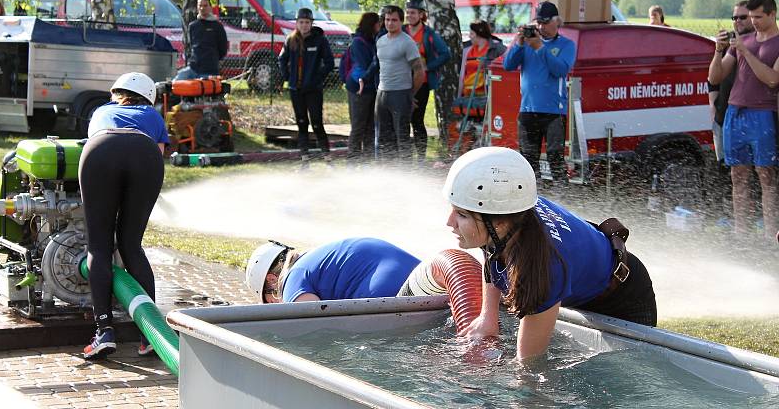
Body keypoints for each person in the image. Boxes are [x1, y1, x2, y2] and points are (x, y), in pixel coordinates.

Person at [443, 147, 657, 360]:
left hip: (624, 299)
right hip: (587, 281)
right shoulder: (507, 216)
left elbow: (529, 364)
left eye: (461, 215)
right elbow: (492, 252)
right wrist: (487, 317)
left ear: (499, 222)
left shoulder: (541, 268)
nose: (449, 222)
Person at [79, 72, 170, 359]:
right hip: (145, 155)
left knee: (99, 247)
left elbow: (95, 139)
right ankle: (150, 335)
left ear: (117, 93)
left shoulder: (102, 111)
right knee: (131, 244)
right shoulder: (152, 115)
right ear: (148, 97)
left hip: (101, 150)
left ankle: (104, 331)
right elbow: (159, 152)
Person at [708, 0, 779, 239]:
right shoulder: (743, 41)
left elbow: (773, 79)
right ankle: (742, 233)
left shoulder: (777, 42)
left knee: (765, 173)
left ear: (772, 14)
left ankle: (771, 235)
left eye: (758, 17)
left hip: (764, 113)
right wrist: (718, 51)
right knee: (737, 174)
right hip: (735, 112)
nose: (754, 22)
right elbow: (715, 77)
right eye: (751, 17)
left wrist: (746, 53)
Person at [503, 1, 577, 183]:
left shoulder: (567, 45)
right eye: (539, 23)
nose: (541, 27)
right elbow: (508, 65)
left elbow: (560, 70)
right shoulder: (528, 43)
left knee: (555, 158)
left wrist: (540, 49)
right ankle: (531, 204)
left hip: (553, 112)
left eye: (545, 22)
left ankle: (563, 200)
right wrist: (519, 44)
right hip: (528, 109)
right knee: (528, 161)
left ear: (557, 21)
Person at [245, 237, 445, 303]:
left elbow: (313, 329)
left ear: (271, 280)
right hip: (422, 273)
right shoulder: (316, 257)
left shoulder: (292, 280)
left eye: (270, 300)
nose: (277, 303)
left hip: (382, 287)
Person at [360, 5, 425, 163]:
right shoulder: (380, 41)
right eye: (387, 20)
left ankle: (406, 175)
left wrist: (410, 94)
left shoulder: (407, 42)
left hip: (400, 93)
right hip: (382, 94)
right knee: (383, 138)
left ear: (401, 21)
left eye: (394, 20)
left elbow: (419, 72)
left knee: (402, 137)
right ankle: (388, 173)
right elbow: (379, 65)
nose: (390, 23)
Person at [278, 7, 335, 168]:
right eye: (301, 22)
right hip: (296, 89)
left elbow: (329, 62)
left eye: (307, 22)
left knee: (317, 123)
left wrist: (318, 77)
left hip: (313, 90)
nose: (304, 26)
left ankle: (328, 159)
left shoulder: (320, 40)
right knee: (302, 123)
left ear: (311, 23)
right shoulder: (291, 40)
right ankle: (305, 161)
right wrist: (288, 77)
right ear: (296, 23)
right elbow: (282, 59)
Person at [403, 0, 451, 165]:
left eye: (413, 13)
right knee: (401, 119)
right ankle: (403, 157)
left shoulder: (429, 34)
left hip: (421, 83)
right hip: (401, 82)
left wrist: (428, 67)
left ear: (421, 14)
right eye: (407, 12)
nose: (409, 15)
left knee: (416, 119)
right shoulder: (402, 30)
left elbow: (446, 53)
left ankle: (421, 158)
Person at [708, 1, 754, 165]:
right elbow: (712, 80)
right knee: (728, 170)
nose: (737, 21)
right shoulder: (729, 42)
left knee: (761, 172)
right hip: (725, 117)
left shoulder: (762, 43)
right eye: (734, 17)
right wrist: (713, 105)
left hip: (755, 117)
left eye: (743, 17)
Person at [344, 12, 381, 162]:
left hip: (371, 88)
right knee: (358, 127)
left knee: (370, 128)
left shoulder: (373, 40)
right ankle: (352, 163)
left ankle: (367, 163)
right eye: (378, 23)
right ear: (371, 25)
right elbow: (366, 65)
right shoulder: (359, 42)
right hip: (359, 88)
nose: (381, 26)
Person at [174, 0, 228, 81]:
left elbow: (223, 49)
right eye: (200, 5)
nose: (202, 8)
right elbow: (190, 45)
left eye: (205, 5)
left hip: (210, 70)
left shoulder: (217, 26)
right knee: (175, 83)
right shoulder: (193, 26)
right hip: (193, 68)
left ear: (210, 7)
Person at [458, 20, 507, 99]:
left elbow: (509, 62)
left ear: (480, 34)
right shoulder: (467, 50)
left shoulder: (496, 48)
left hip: (487, 96)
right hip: (467, 95)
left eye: (472, 33)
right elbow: (462, 74)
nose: (469, 36)